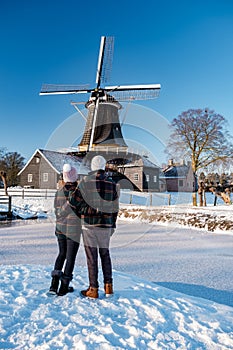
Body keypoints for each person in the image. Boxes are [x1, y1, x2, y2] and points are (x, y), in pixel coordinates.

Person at [78, 155, 119, 299]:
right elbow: (115, 207)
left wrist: (83, 214)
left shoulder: (84, 182)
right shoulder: (112, 184)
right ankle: (109, 287)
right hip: (106, 225)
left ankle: (93, 289)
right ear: (104, 166)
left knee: (91, 257)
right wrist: (112, 224)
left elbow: (75, 204)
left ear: (92, 167)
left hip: (89, 225)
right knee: (105, 255)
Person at [49, 163, 82, 296]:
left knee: (61, 254)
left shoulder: (59, 192)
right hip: (73, 230)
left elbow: (57, 211)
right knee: (70, 258)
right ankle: (64, 286)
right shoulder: (79, 193)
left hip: (60, 229)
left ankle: (53, 285)